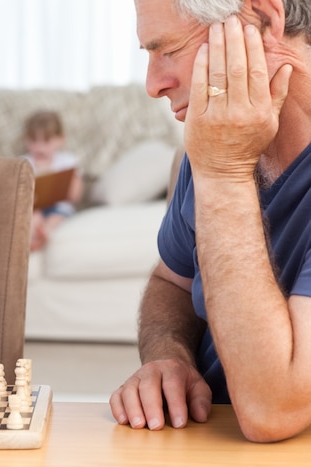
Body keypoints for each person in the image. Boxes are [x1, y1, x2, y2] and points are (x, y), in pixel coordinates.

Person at [109, 0, 311, 443]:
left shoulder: (219, 151)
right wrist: (169, 356)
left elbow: (272, 411)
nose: (152, 85)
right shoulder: (216, 136)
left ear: (262, 19)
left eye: (168, 50)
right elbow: (171, 283)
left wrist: (223, 171)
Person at [21, 110, 83, 251]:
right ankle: (32, 238)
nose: (40, 148)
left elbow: (76, 196)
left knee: (57, 217)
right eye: (34, 141)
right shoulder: (24, 163)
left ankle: (45, 233)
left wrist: (65, 177)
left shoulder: (67, 161)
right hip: (34, 208)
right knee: (32, 217)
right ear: (26, 140)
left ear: (60, 140)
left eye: (46, 141)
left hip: (59, 207)